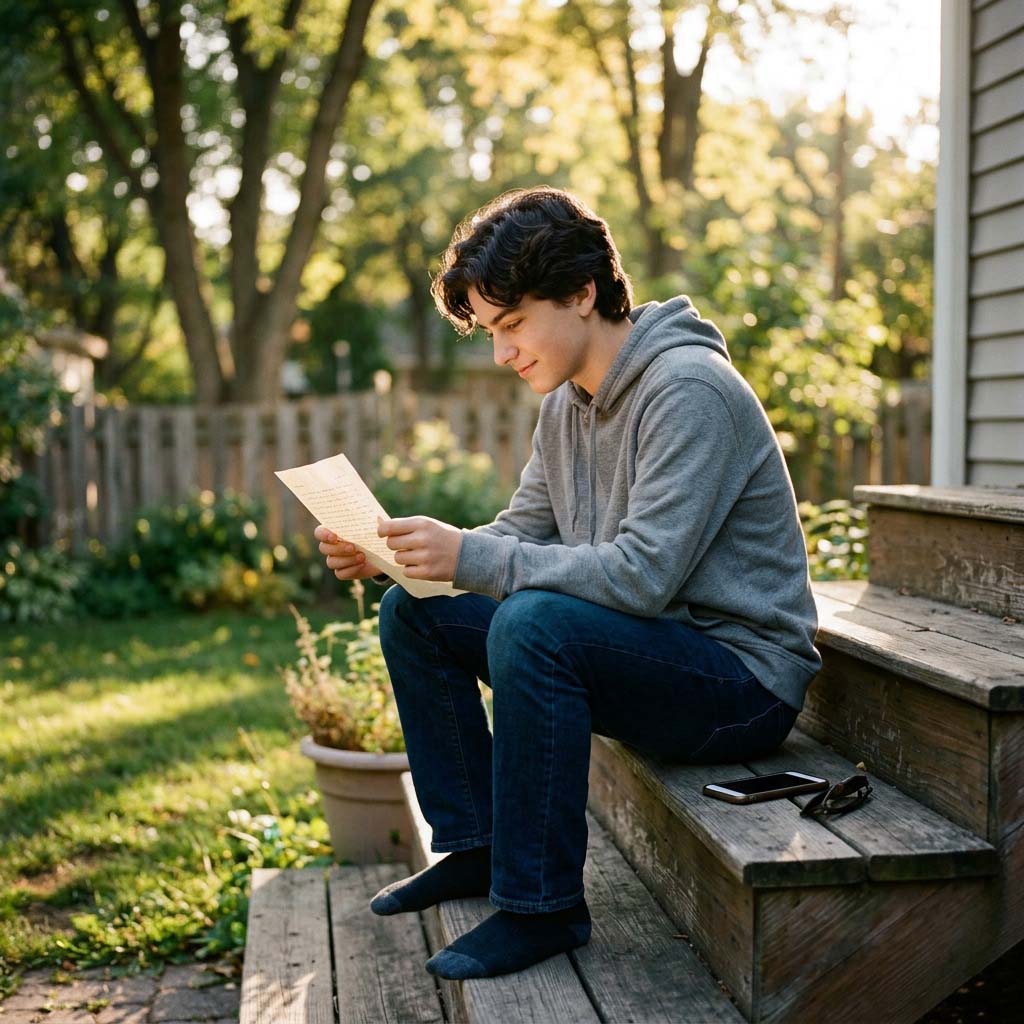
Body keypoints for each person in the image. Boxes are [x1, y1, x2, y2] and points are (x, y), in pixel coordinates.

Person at [313, 186, 822, 981]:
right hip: (650, 653)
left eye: (512, 325)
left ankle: (542, 906)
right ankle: (477, 848)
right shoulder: (568, 405)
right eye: (490, 331)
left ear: (583, 293)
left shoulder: (688, 390)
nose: (502, 352)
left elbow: (644, 575)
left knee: (533, 624)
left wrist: (473, 560)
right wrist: (400, 551)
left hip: (739, 682)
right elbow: (520, 535)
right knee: (414, 614)